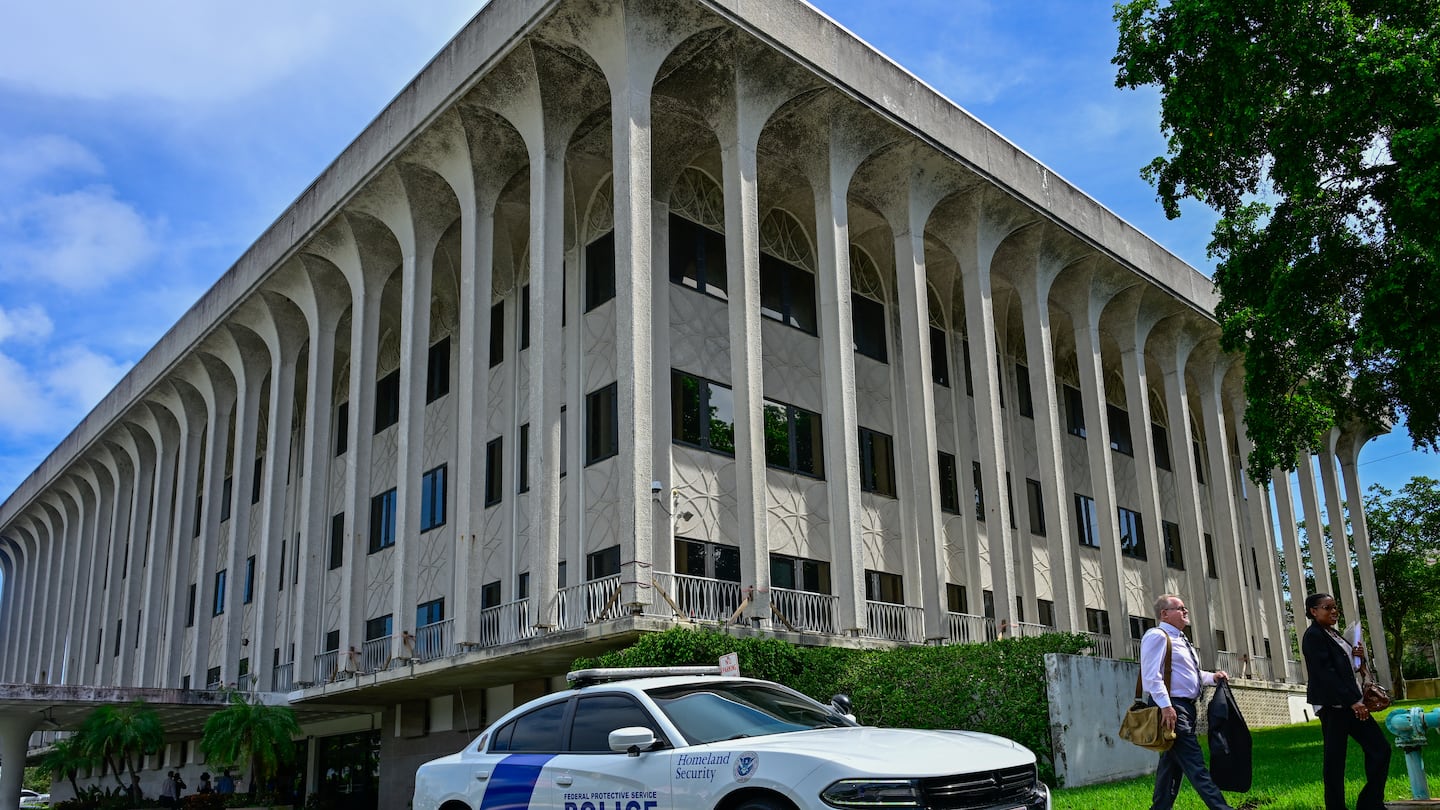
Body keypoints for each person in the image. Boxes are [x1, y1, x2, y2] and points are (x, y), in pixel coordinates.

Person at [1141, 593, 1235, 810]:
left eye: (1185, 608)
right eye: (1180, 608)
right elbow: (1151, 675)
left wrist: (1212, 677)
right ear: (1165, 614)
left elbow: (1188, 674)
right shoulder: (1157, 636)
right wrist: (1166, 706)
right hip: (1172, 708)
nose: (1185, 612)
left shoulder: (1181, 640)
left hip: (1184, 708)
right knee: (1195, 764)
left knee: (1171, 767)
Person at [1301, 592, 1390, 810]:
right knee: (1335, 760)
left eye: (1335, 607)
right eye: (1327, 607)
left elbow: (1346, 668)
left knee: (1380, 749)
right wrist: (1353, 701)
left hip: (1352, 703)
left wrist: (1357, 656)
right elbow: (1325, 674)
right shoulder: (1313, 636)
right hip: (1334, 706)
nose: (1333, 611)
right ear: (1314, 611)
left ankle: (1371, 803)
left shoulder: (1333, 633)